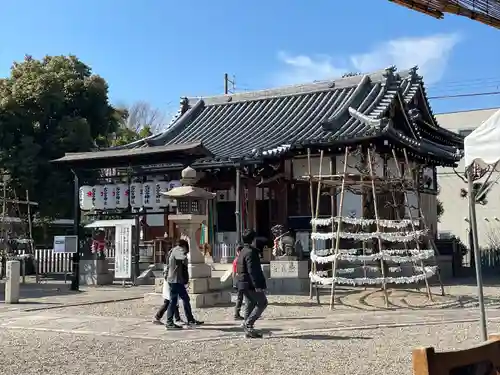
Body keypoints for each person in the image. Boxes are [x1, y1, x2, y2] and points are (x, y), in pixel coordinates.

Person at [165, 239, 204, 329]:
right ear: (184, 246)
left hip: (175, 280)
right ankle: (170, 322)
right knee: (174, 301)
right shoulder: (177, 250)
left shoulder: (174, 250)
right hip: (175, 280)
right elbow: (182, 257)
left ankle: (189, 319)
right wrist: (186, 256)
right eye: (186, 248)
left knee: (182, 299)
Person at [237, 229, 268, 338]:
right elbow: (253, 271)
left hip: (242, 282)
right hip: (250, 283)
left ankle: (247, 328)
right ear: (253, 240)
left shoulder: (243, 251)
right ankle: (248, 324)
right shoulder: (251, 253)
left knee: (250, 304)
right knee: (262, 302)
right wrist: (258, 286)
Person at [152, 258, 184, 325]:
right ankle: (157, 317)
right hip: (170, 284)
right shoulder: (172, 265)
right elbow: (168, 275)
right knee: (169, 302)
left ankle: (177, 318)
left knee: (172, 301)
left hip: (170, 283)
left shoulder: (171, 264)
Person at [232, 245, 244, 321]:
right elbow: (235, 272)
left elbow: (233, 273)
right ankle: (236, 314)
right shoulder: (238, 260)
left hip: (238, 280)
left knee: (241, 297)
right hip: (239, 280)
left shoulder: (236, 260)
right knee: (240, 298)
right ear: (238, 252)